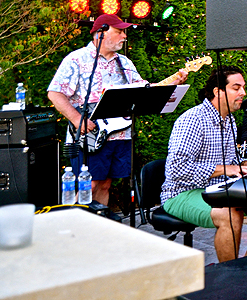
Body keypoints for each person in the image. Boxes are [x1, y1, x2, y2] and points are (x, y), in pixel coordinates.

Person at [48, 14, 187, 207]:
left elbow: (143, 89)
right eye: (119, 31)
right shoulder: (76, 59)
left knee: (106, 185)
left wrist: (172, 82)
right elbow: (55, 93)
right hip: (90, 136)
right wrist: (77, 119)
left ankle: (100, 221)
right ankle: (77, 223)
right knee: (90, 185)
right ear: (101, 33)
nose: (124, 36)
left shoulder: (124, 62)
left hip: (120, 134)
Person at [161, 66, 247, 262]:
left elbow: (232, 163)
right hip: (181, 193)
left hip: (219, 188)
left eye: (243, 87)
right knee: (230, 215)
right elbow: (176, 169)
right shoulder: (193, 120)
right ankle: (230, 274)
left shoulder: (229, 120)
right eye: (236, 88)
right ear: (218, 91)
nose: (243, 93)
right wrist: (228, 169)